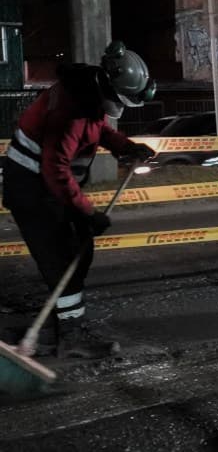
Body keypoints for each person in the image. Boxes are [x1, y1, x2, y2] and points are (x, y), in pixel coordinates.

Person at [1, 41, 157, 358]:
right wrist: (86, 212)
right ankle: (71, 336)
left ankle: (63, 324)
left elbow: (97, 129)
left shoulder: (87, 94)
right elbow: (55, 168)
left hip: (48, 187)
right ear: (111, 89)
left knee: (79, 251)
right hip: (32, 189)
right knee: (61, 259)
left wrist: (125, 147)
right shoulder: (69, 112)